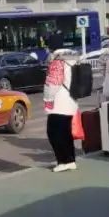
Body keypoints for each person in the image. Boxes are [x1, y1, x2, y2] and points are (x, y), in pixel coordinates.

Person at [42, 33, 80, 172]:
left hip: (59, 102)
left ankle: (63, 161)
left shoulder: (57, 60)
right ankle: (70, 160)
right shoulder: (72, 58)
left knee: (54, 132)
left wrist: (47, 101)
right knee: (66, 132)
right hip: (71, 99)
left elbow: (52, 83)